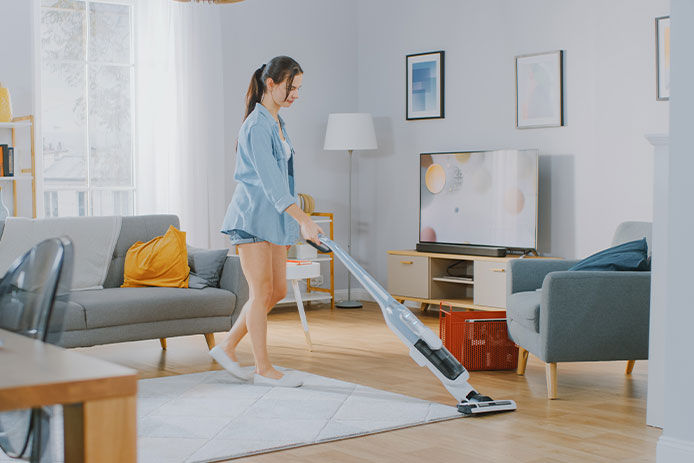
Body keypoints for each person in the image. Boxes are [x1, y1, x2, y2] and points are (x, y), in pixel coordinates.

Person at [211, 56, 323, 388]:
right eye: (291, 87)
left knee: (275, 290)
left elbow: (282, 180)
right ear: (271, 84)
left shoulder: (277, 123)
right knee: (261, 291)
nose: (296, 95)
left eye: (299, 89)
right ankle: (262, 368)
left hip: (273, 219)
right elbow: (272, 182)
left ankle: (227, 346)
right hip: (251, 217)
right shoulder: (257, 127)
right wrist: (303, 219)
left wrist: (296, 218)